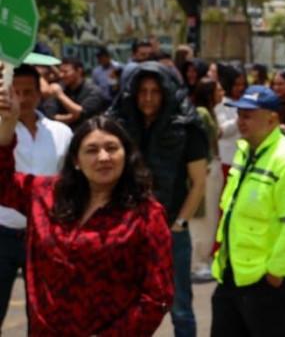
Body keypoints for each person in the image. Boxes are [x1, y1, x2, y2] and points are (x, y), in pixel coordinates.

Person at [0, 85, 173, 335]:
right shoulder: (45, 195)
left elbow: (157, 295)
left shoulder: (146, 214)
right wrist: (9, 121)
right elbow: (3, 182)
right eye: (91, 150)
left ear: (126, 156)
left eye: (112, 148)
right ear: (76, 162)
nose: (103, 157)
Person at [109, 62, 208, 337]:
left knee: (180, 307)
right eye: (142, 91)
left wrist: (179, 223)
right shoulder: (121, 124)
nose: (148, 98)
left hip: (171, 229)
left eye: (155, 91)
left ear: (165, 93)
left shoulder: (187, 127)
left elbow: (198, 182)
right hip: (128, 229)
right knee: (127, 305)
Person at [211, 85, 285, 336]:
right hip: (234, 272)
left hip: (266, 280)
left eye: (248, 115)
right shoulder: (246, 152)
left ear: (272, 119)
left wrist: (275, 273)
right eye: (239, 114)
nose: (240, 121)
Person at [0, 65, 73, 325]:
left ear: (39, 94)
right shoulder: (2, 131)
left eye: (28, 92)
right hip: (3, 233)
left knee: (44, 314)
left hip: (45, 236)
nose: (22, 98)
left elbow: (71, 181)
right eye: (15, 92)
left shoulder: (61, 133)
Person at [191, 78, 224, 282]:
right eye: (218, 89)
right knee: (203, 218)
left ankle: (203, 259)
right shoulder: (202, 114)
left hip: (213, 167)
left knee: (211, 217)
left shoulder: (210, 112)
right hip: (208, 169)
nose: (222, 92)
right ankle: (197, 262)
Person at [51, 57, 107, 132]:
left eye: (65, 72)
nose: (61, 75)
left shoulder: (93, 91)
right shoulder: (60, 88)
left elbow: (82, 114)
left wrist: (60, 95)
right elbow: (51, 116)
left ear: (79, 71)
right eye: (60, 72)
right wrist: (73, 116)